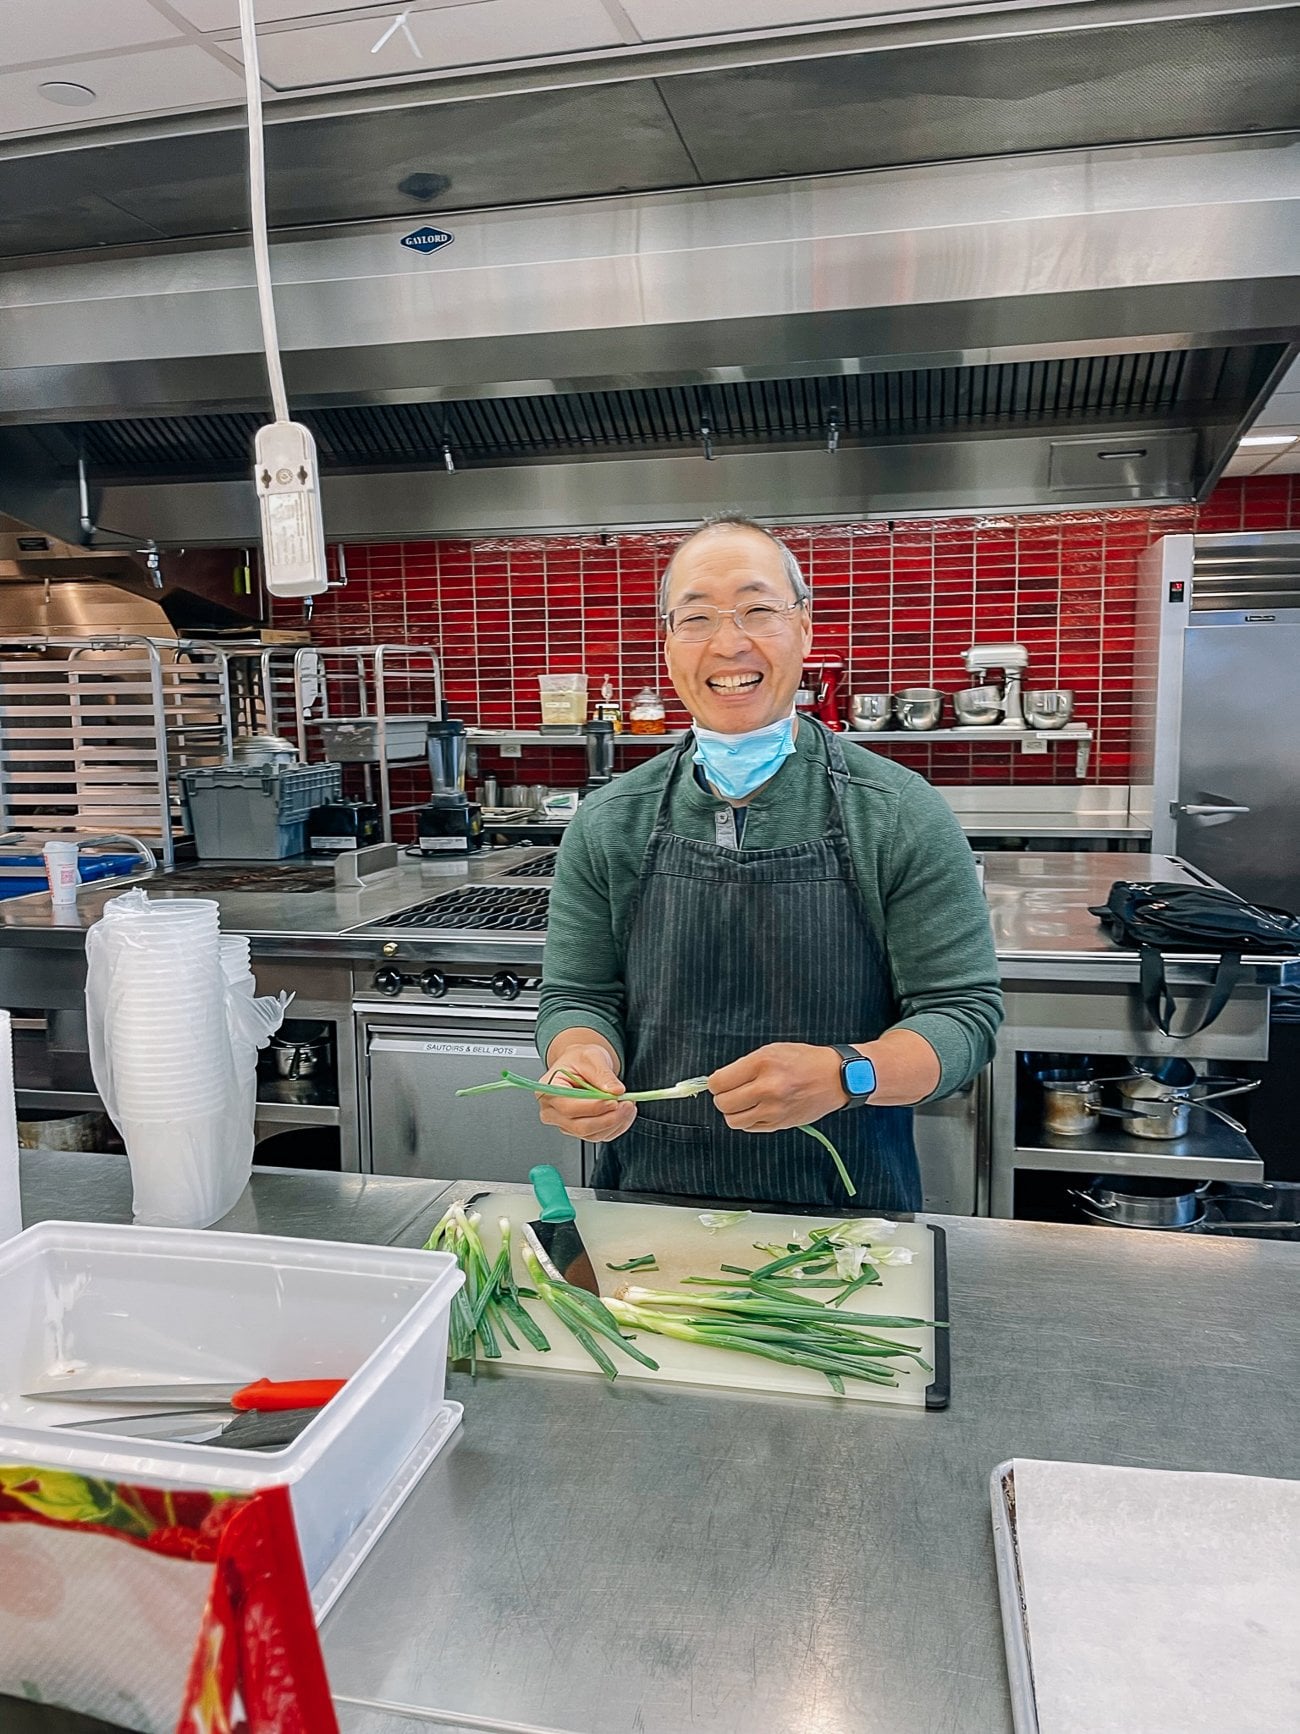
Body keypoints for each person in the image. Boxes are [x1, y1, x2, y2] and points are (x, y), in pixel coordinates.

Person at [535, 515, 1002, 1211]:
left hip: (846, 1226)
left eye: (758, 611)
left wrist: (850, 1074)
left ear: (805, 630)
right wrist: (580, 1059)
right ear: (667, 646)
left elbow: (963, 1016)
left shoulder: (899, 811)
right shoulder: (609, 821)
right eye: (696, 618)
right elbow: (578, 998)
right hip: (647, 1212)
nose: (729, 643)